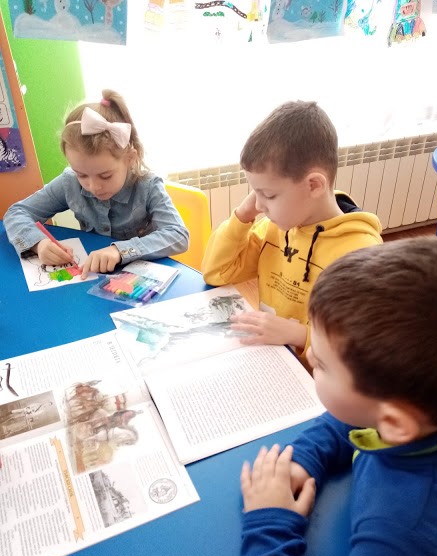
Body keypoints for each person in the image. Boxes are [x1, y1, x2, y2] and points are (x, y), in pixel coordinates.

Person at [240, 236, 437, 556]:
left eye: (322, 364)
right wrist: (308, 455)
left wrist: (268, 523)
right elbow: (356, 417)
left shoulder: (409, 541)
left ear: (396, 424)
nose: (309, 356)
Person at [201, 100, 382, 362]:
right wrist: (241, 217)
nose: (258, 205)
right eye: (254, 193)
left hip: (318, 376)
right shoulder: (273, 227)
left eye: (269, 195)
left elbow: (362, 345)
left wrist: (299, 335)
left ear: (314, 185)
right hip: (273, 359)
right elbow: (217, 272)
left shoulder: (360, 255)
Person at [4, 89, 189, 279]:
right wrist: (39, 243)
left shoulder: (148, 186)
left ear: (130, 159)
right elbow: (17, 212)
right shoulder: (69, 182)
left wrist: (119, 251)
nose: (93, 186)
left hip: (142, 280)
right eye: (82, 174)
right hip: (92, 277)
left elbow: (178, 234)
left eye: (105, 176)